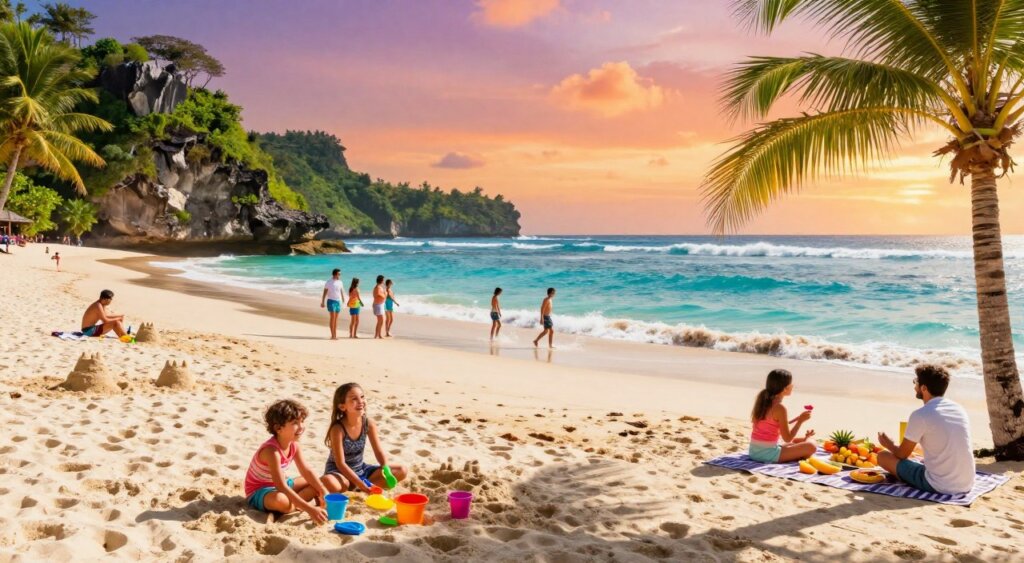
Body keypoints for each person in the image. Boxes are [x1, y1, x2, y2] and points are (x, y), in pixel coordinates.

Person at [876, 365, 975, 494]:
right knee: (917, 450)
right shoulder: (958, 409)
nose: (914, 386)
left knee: (883, 456)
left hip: (940, 485)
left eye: (916, 382)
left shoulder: (921, 415)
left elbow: (901, 454)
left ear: (924, 388)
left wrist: (888, 444)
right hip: (967, 483)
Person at [243, 399, 329, 522]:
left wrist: (323, 491)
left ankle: (295, 503)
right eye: (295, 423)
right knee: (281, 501)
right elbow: (281, 486)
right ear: (278, 428)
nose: (301, 427)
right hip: (260, 491)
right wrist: (310, 509)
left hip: (281, 484)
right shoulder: (272, 451)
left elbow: (306, 470)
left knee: (315, 482)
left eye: (302, 421)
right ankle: (296, 504)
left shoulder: (294, 444)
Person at [321, 383, 408, 493]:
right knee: (331, 482)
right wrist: (361, 484)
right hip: (339, 473)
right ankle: (359, 487)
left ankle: (360, 488)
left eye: (362, 397)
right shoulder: (338, 429)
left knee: (401, 470)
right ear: (342, 406)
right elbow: (340, 464)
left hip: (361, 470)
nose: (360, 401)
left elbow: (379, 451)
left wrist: (386, 470)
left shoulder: (368, 424)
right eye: (354, 399)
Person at [748, 369, 816, 463]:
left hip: (754, 451)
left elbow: (771, 423)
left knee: (798, 441)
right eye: (791, 384)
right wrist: (800, 421)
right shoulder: (780, 408)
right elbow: (787, 438)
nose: (793, 386)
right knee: (811, 446)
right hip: (767, 454)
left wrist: (797, 419)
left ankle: (804, 442)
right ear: (785, 388)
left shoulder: (764, 401)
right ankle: (804, 445)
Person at [320, 268, 344, 340]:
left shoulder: (340, 282)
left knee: (336, 319)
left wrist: (343, 298)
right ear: (335, 274)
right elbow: (325, 292)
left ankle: (335, 335)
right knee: (332, 318)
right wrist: (323, 301)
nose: (340, 275)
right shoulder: (329, 282)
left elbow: (341, 290)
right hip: (331, 301)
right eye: (339, 274)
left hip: (338, 301)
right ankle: (333, 335)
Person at [372, 275, 386, 339]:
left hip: (379, 304)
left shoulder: (379, 287)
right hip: (378, 305)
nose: (384, 281)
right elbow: (378, 294)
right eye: (383, 280)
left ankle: (378, 334)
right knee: (381, 320)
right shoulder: (378, 287)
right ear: (381, 280)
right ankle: (378, 335)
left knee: (380, 320)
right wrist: (385, 295)